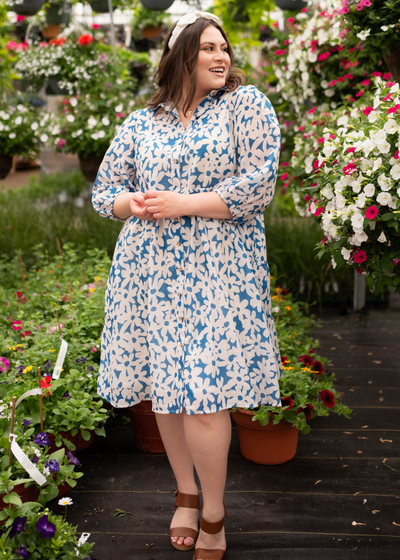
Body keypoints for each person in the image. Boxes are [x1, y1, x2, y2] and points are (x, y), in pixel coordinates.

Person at [92, 11, 282, 560]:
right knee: (167, 394)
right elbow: (107, 190)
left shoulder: (247, 107)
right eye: (208, 49)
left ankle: (215, 514)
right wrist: (135, 203)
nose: (221, 57)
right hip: (150, 271)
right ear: (181, 57)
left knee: (204, 396)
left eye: (224, 48)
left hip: (220, 271)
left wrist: (182, 204)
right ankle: (186, 493)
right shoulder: (141, 123)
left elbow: (258, 185)